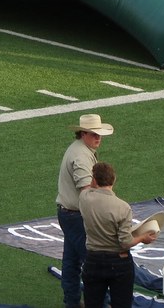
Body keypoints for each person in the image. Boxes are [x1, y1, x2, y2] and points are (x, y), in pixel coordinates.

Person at [79, 162, 159, 308]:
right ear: (113, 180)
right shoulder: (122, 207)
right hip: (119, 262)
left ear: (94, 180)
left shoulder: (84, 198)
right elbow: (125, 242)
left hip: (93, 259)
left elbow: (87, 188)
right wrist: (142, 238)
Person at [57, 113, 114, 308]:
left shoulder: (79, 149)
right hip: (76, 215)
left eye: (99, 134)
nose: (98, 137)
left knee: (71, 262)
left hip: (68, 213)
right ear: (83, 133)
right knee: (93, 264)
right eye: (93, 134)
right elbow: (86, 194)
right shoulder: (81, 157)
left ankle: (72, 302)